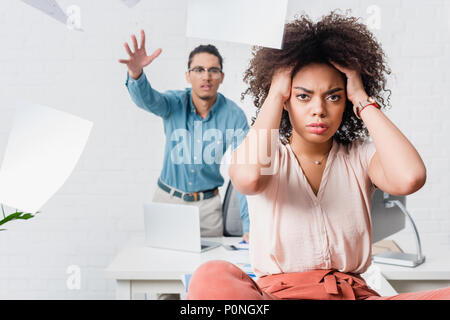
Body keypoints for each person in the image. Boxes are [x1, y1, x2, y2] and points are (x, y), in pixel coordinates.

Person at [187, 12, 450, 300]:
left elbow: (410, 177)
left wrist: (361, 98)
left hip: (353, 295)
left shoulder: (360, 157)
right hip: (279, 297)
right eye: (303, 96)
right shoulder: (266, 156)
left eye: (333, 96)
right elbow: (248, 179)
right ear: (286, 100)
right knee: (210, 275)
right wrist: (276, 92)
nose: (319, 109)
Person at [119, 30, 250, 240]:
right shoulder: (174, 103)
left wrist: (248, 226)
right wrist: (136, 74)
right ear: (188, 75)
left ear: (222, 77)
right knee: (163, 269)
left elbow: (245, 170)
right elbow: (148, 100)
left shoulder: (234, 116)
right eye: (198, 70)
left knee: (209, 268)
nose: (206, 76)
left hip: (208, 208)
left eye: (213, 70)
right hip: (168, 201)